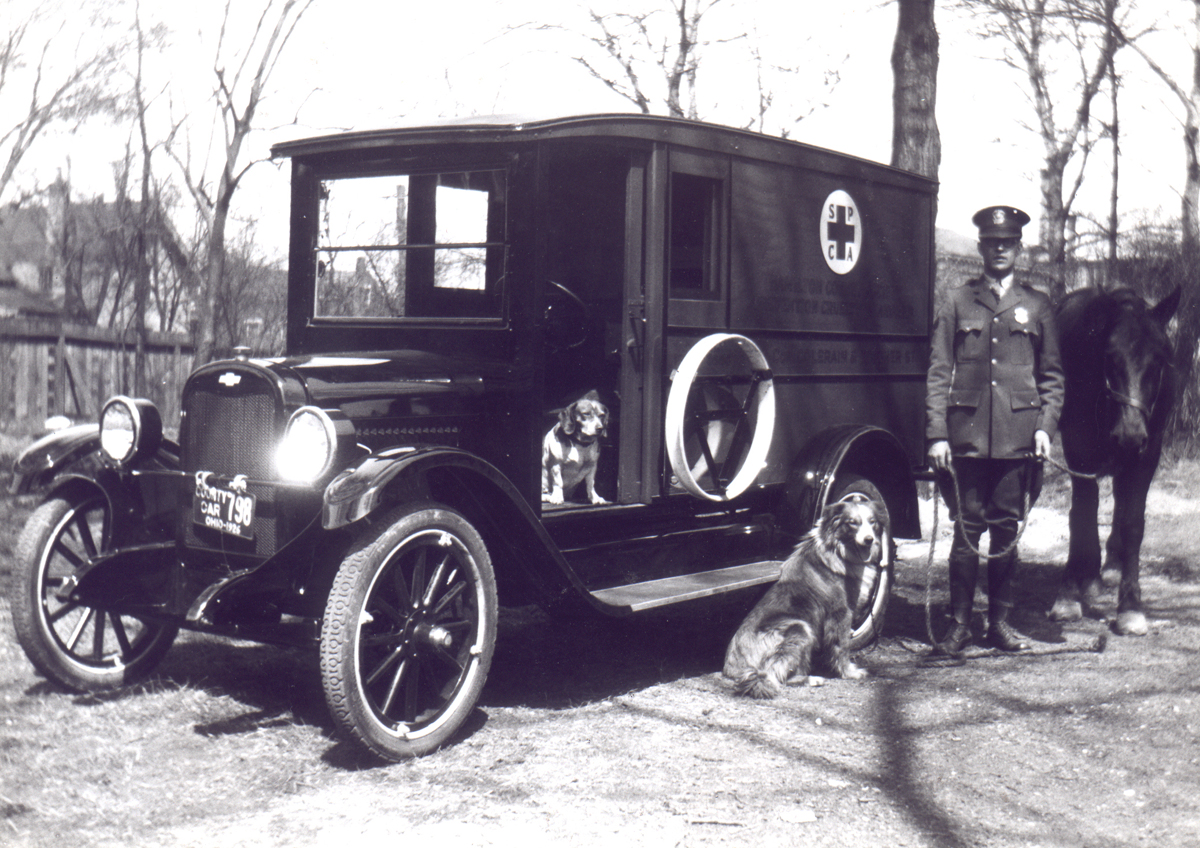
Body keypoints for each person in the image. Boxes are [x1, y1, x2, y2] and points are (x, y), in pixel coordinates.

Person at [925, 206, 1065, 654]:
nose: (1000, 249)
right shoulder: (957, 300)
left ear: (1018, 248)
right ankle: (959, 625)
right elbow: (937, 370)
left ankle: (999, 623)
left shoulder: (1037, 304)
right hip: (965, 437)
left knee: (1006, 529)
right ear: (981, 247)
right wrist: (937, 434)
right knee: (967, 532)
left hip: (1017, 438)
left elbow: (1053, 379)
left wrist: (1045, 428)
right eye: (991, 242)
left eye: (1007, 243)